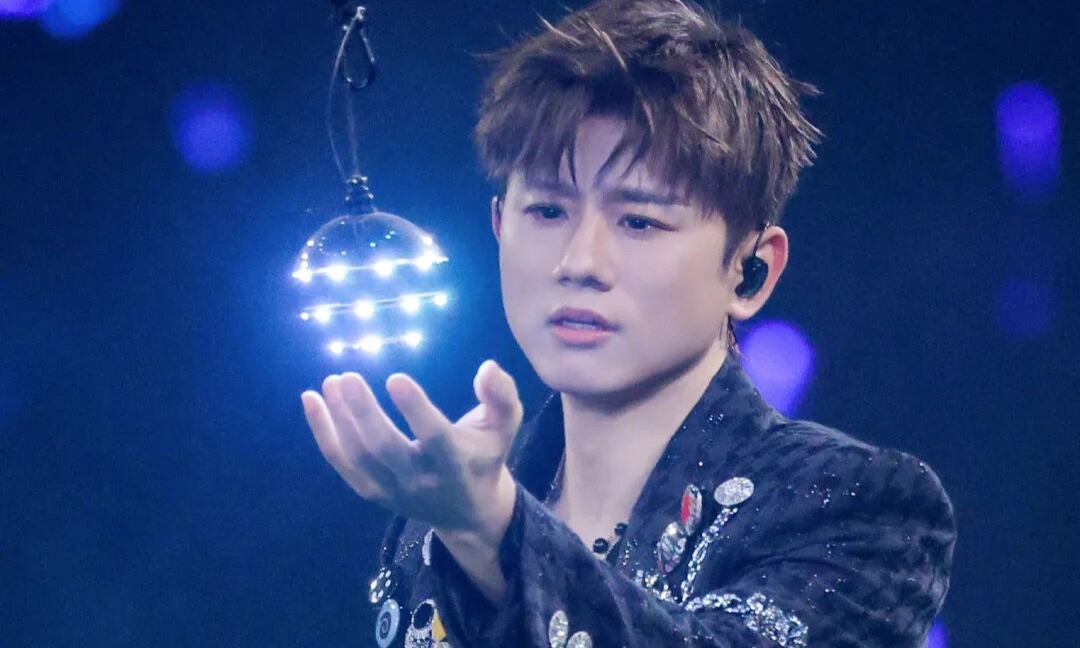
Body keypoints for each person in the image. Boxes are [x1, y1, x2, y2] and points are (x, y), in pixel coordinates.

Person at [300, 0, 956, 646]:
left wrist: (493, 532)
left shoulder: (858, 506)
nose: (579, 263)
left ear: (750, 270)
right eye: (547, 212)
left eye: (639, 221)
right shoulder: (435, 523)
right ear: (498, 226)